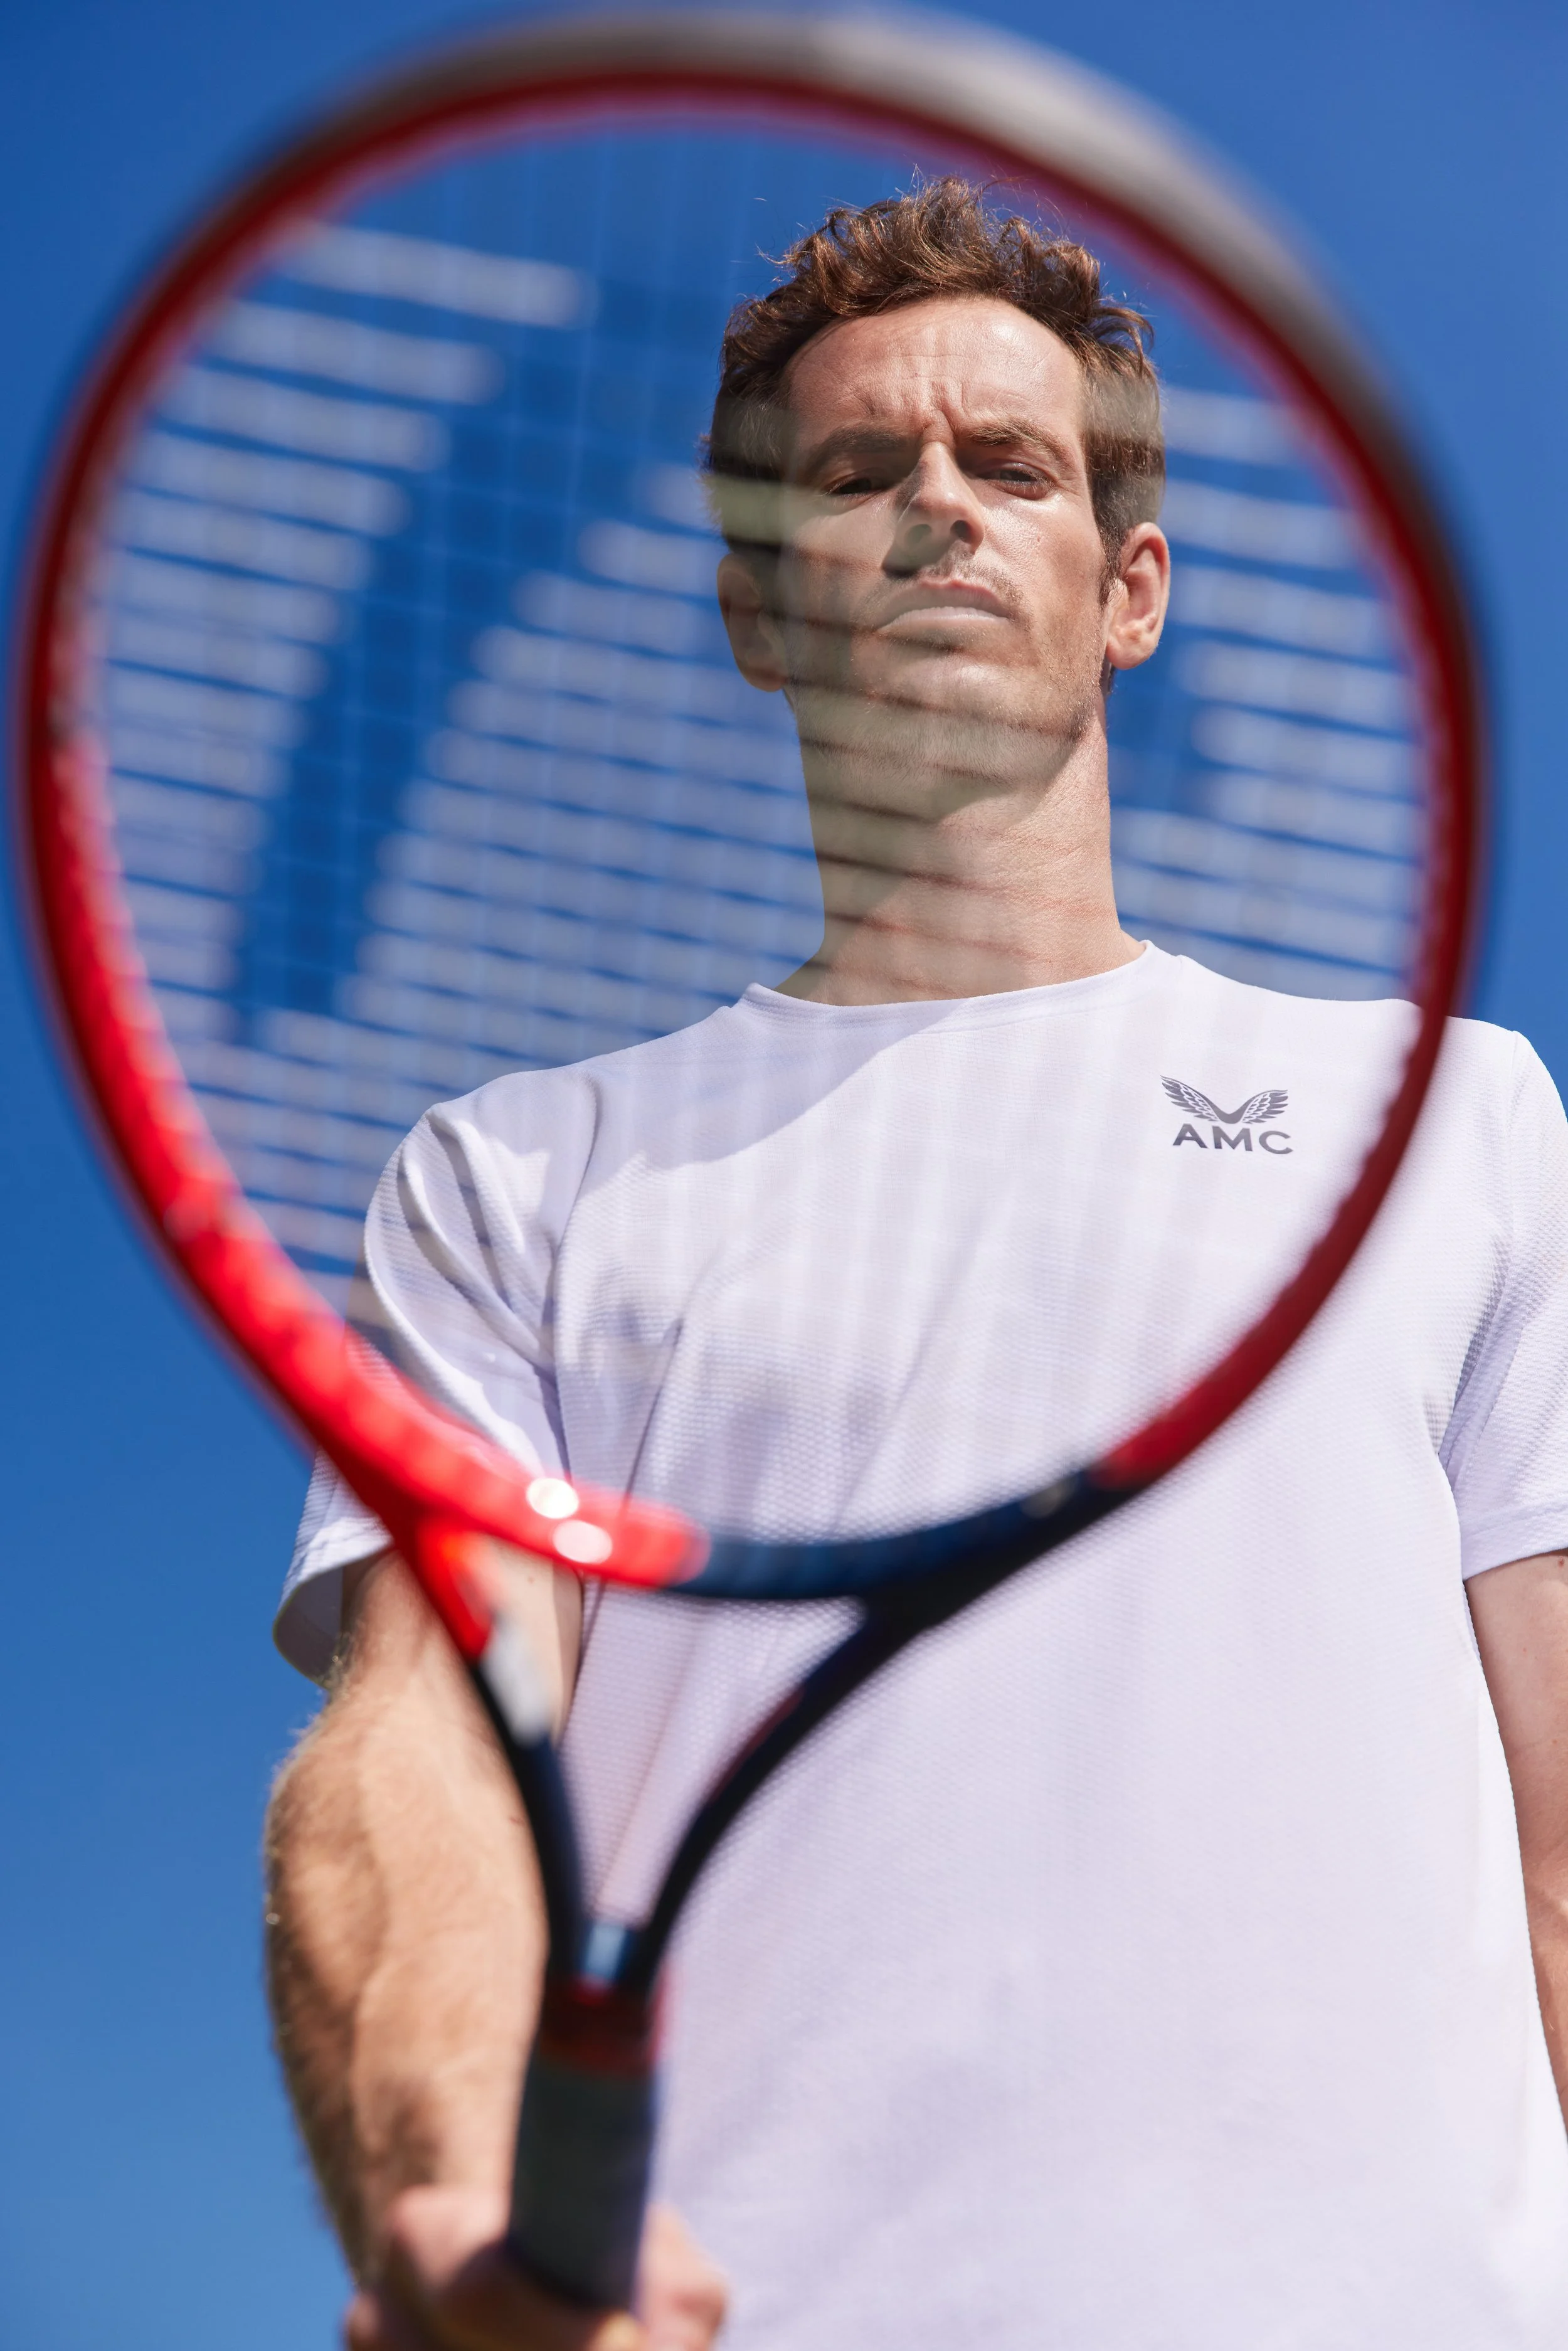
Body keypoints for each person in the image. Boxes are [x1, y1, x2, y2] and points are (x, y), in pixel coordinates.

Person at [265, 182, 1568, 2350]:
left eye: (1012, 465)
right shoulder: (516, 1174)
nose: (936, 507)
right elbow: (424, 1736)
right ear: (759, 611)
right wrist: (446, 2176)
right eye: (856, 474)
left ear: (1125, 585)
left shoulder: (1453, 1117)